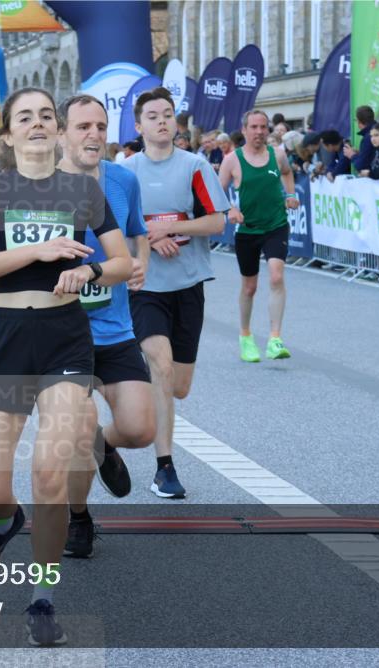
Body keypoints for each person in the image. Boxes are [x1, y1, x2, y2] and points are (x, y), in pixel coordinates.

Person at [0, 87, 130, 646]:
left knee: (49, 475)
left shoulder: (82, 190)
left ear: (58, 131)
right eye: (24, 117)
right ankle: (4, 521)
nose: (37, 124)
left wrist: (90, 272)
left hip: (64, 340)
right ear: (8, 134)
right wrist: (37, 252)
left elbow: (123, 260)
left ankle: (43, 598)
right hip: (6, 339)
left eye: (45, 116)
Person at [56, 94, 155, 558]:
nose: (94, 134)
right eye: (83, 126)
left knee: (139, 429)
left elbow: (138, 234)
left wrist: (140, 263)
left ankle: (102, 444)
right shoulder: (40, 186)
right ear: (62, 133)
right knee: (78, 429)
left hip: (115, 328)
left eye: (100, 126)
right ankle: (78, 518)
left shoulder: (123, 180)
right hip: (61, 333)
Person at [122, 87, 229, 498]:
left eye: (167, 114)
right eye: (153, 116)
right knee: (161, 366)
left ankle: (115, 434)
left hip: (187, 284)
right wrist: (148, 237)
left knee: (178, 385)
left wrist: (169, 227)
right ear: (139, 126)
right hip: (144, 286)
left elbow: (216, 222)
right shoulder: (125, 172)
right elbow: (114, 228)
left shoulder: (195, 166)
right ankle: (164, 467)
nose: (162, 121)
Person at [219, 110, 299, 363]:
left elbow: (287, 172)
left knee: (276, 276)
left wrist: (290, 194)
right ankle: (245, 336)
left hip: (276, 225)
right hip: (247, 230)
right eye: (254, 127)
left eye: (263, 127)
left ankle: (275, 339)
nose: (259, 132)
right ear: (244, 130)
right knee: (249, 287)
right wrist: (230, 210)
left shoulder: (278, 155)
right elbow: (216, 192)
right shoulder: (232, 160)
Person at [342, 105, 376, 174]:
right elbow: (371, 155)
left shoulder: (368, 137)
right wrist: (360, 153)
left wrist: (351, 155)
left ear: (359, 121)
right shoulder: (377, 129)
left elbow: (361, 165)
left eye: (356, 120)